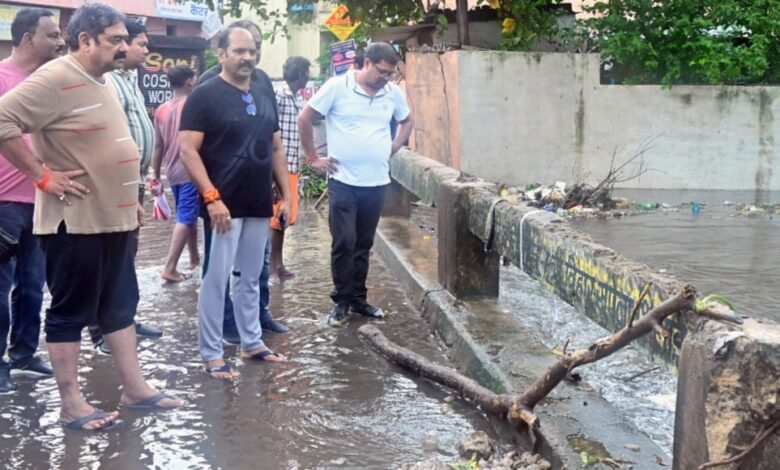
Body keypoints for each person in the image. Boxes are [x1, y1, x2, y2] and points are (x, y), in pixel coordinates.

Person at [0, 3, 184, 430]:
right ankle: (71, 405)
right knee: (69, 312)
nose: (123, 47)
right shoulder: (55, 77)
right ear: (85, 40)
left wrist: (128, 195)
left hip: (113, 218)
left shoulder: (103, 79)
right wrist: (41, 175)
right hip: (75, 221)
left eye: (124, 40)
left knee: (119, 307)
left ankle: (135, 388)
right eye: (115, 40)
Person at [179, 26, 292, 379]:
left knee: (250, 277)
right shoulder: (205, 95)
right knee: (216, 279)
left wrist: (286, 196)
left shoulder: (263, 92)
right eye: (240, 51)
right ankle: (212, 354)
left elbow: (276, 147)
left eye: (252, 51)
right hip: (222, 206)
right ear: (222, 54)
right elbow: (187, 150)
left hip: (258, 201)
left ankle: (252, 342)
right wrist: (211, 198)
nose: (247, 57)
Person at [298, 42, 413, 327]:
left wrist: (395, 145)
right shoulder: (338, 86)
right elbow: (305, 117)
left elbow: (407, 120)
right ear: (367, 63)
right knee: (344, 241)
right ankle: (342, 300)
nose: (385, 78)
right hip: (343, 181)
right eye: (382, 72)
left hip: (377, 181)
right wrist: (312, 158)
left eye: (390, 73)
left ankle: (359, 299)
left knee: (363, 243)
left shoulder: (392, 92)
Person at [88, 19, 162, 355]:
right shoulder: (110, 82)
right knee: (109, 257)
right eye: (141, 44)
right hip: (116, 183)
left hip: (135, 181)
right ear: (122, 45)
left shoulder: (131, 79)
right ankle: (100, 330)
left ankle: (124, 320)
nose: (146, 50)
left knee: (126, 257)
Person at [0, 7, 63, 395]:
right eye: (52, 35)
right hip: (3, 202)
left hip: (40, 201)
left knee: (32, 286)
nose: (60, 42)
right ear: (27, 39)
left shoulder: (48, 83)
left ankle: (24, 354)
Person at [151, 64, 200, 283]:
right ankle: (170, 268)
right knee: (186, 217)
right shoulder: (192, 105)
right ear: (189, 81)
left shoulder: (161, 109)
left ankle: (194, 259)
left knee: (187, 215)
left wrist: (155, 175)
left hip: (171, 171)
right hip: (190, 170)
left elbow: (158, 146)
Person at [270, 56, 310, 280]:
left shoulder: (296, 98)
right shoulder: (279, 95)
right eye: (307, 73)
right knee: (277, 217)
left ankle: (277, 264)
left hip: (292, 165)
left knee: (283, 218)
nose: (308, 77)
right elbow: (268, 130)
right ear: (301, 74)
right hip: (279, 166)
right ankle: (272, 266)